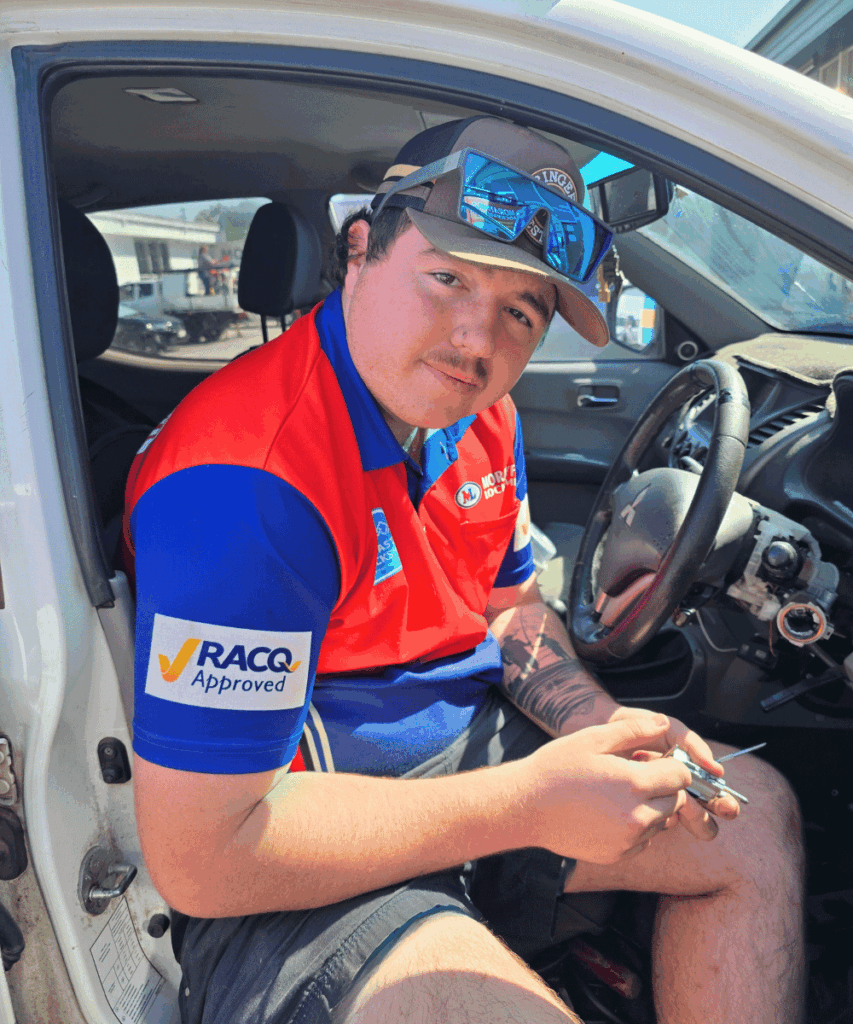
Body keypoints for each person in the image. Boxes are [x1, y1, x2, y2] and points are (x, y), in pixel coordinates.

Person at [124, 117, 804, 1024]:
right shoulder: (245, 486)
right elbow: (206, 860)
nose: (474, 339)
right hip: (296, 855)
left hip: (476, 763)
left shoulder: (480, 414)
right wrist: (529, 804)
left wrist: (595, 730)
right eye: (447, 277)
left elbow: (508, 602)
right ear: (360, 251)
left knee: (751, 815)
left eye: (520, 311)